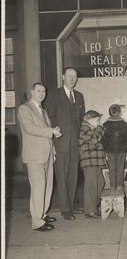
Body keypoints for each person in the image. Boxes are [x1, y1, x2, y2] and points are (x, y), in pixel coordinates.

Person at [17, 82, 62, 231]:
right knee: (38, 187)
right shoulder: (24, 109)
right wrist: (51, 131)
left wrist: (53, 151)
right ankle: (37, 221)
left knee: (48, 186)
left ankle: (42, 214)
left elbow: (46, 133)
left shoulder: (43, 111)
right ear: (32, 92)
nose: (41, 94)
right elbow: (30, 128)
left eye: (43, 91)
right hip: (34, 156)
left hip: (47, 154)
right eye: (38, 91)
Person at [45, 67, 85, 220]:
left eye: (74, 76)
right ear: (63, 77)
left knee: (74, 174)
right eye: (69, 76)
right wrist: (56, 131)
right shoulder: (54, 95)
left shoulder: (80, 96)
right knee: (62, 175)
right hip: (61, 141)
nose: (71, 79)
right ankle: (65, 209)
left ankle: (73, 205)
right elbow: (50, 118)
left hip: (75, 142)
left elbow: (81, 120)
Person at [79, 110, 107, 219]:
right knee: (91, 186)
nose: (99, 122)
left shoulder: (92, 129)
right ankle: (90, 211)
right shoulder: (85, 128)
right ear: (89, 120)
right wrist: (101, 128)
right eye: (97, 120)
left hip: (96, 161)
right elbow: (94, 140)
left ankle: (93, 207)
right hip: (89, 162)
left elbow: (94, 143)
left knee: (100, 183)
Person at [102, 104, 127, 190]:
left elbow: (103, 138)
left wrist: (106, 148)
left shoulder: (105, 124)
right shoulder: (124, 124)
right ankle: (120, 186)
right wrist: (124, 146)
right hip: (121, 150)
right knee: (120, 168)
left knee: (111, 168)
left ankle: (112, 186)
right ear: (119, 113)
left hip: (110, 150)